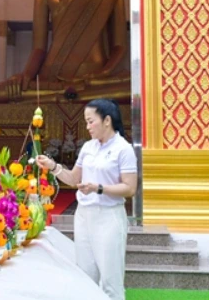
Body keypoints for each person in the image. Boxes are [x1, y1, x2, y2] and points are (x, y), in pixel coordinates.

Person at [36, 99, 137, 300]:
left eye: (91, 121)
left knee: (111, 280)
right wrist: (52, 166)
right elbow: (74, 178)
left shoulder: (123, 149)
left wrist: (98, 188)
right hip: (83, 216)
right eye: (86, 122)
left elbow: (129, 188)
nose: (88, 127)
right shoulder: (88, 147)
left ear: (106, 120)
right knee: (85, 275)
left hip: (108, 217)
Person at [0, 0, 130, 103]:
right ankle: (68, 96)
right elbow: (38, 49)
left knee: (132, 89)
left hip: (95, 80)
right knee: (2, 92)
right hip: (53, 78)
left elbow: (119, 46)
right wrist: (26, 76)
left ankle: (61, 97)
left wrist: (103, 73)